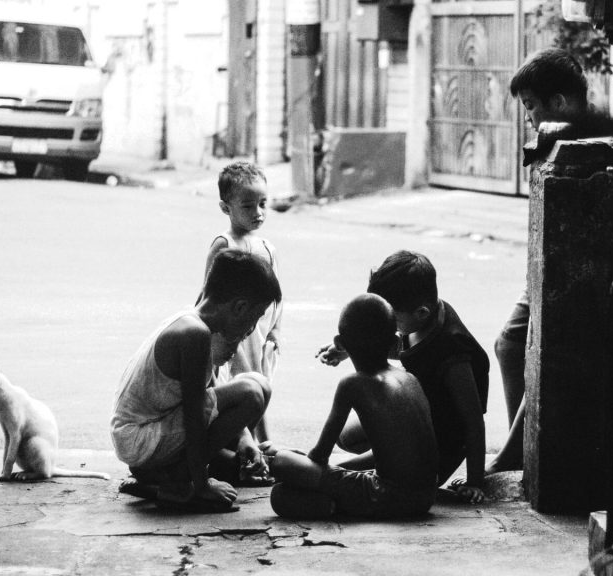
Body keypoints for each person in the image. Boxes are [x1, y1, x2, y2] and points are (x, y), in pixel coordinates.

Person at [490, 48, 613, 474]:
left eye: (530, 108)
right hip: (544, 272)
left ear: (559, 104)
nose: (528, 119)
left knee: (535, 345)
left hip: (587, 274)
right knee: (509, 342)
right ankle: (520, 447)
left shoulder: (595, 144)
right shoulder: (561, 136)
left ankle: (516, 453)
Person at [111, 249, 281, 511]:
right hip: (141, 437)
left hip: (151, 432)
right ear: (239, 307)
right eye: (256, 317)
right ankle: (179, 482)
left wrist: (245, 437)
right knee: (251, 394)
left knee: (257, 382)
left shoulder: (196, 324)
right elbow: (195, 417)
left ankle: (161, 475)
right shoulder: (194, 334)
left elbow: (211, 396)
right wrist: (202, 485)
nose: (252, 329)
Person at [317, 251, 489, 503]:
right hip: (413, 421)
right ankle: (354, 464)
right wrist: (349, 349)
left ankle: (339, 469)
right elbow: (399, 348)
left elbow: (473, 422)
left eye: (391, 320)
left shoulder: (453, 353)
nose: (386, 328)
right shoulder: (422, 318)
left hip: (437, 446)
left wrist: (475, 481)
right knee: (347, 438)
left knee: (345, 469)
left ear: (421, 312)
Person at [262, 293, 438, 519]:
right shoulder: (410, 379)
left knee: (281, 472)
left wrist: (287, 455)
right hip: (425, 497)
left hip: (386, 497)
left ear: (340, 344)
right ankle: (336, 505)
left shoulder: (352, 384)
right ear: (395, 343)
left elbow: (319, 457)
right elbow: (398, 453)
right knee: (287, 491)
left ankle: (336, 506)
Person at [202, 161, 283, 483]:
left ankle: (261, 442)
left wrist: (276, 330)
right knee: (238, 387)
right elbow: (210, 291)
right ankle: (242, 447)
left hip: (259, 333)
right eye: (248, 206)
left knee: (262, 383)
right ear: (226, 207)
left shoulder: (266, 248)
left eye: (263, 204)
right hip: (231, 334)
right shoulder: (224, 244)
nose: (258, 212)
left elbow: (277, 296)